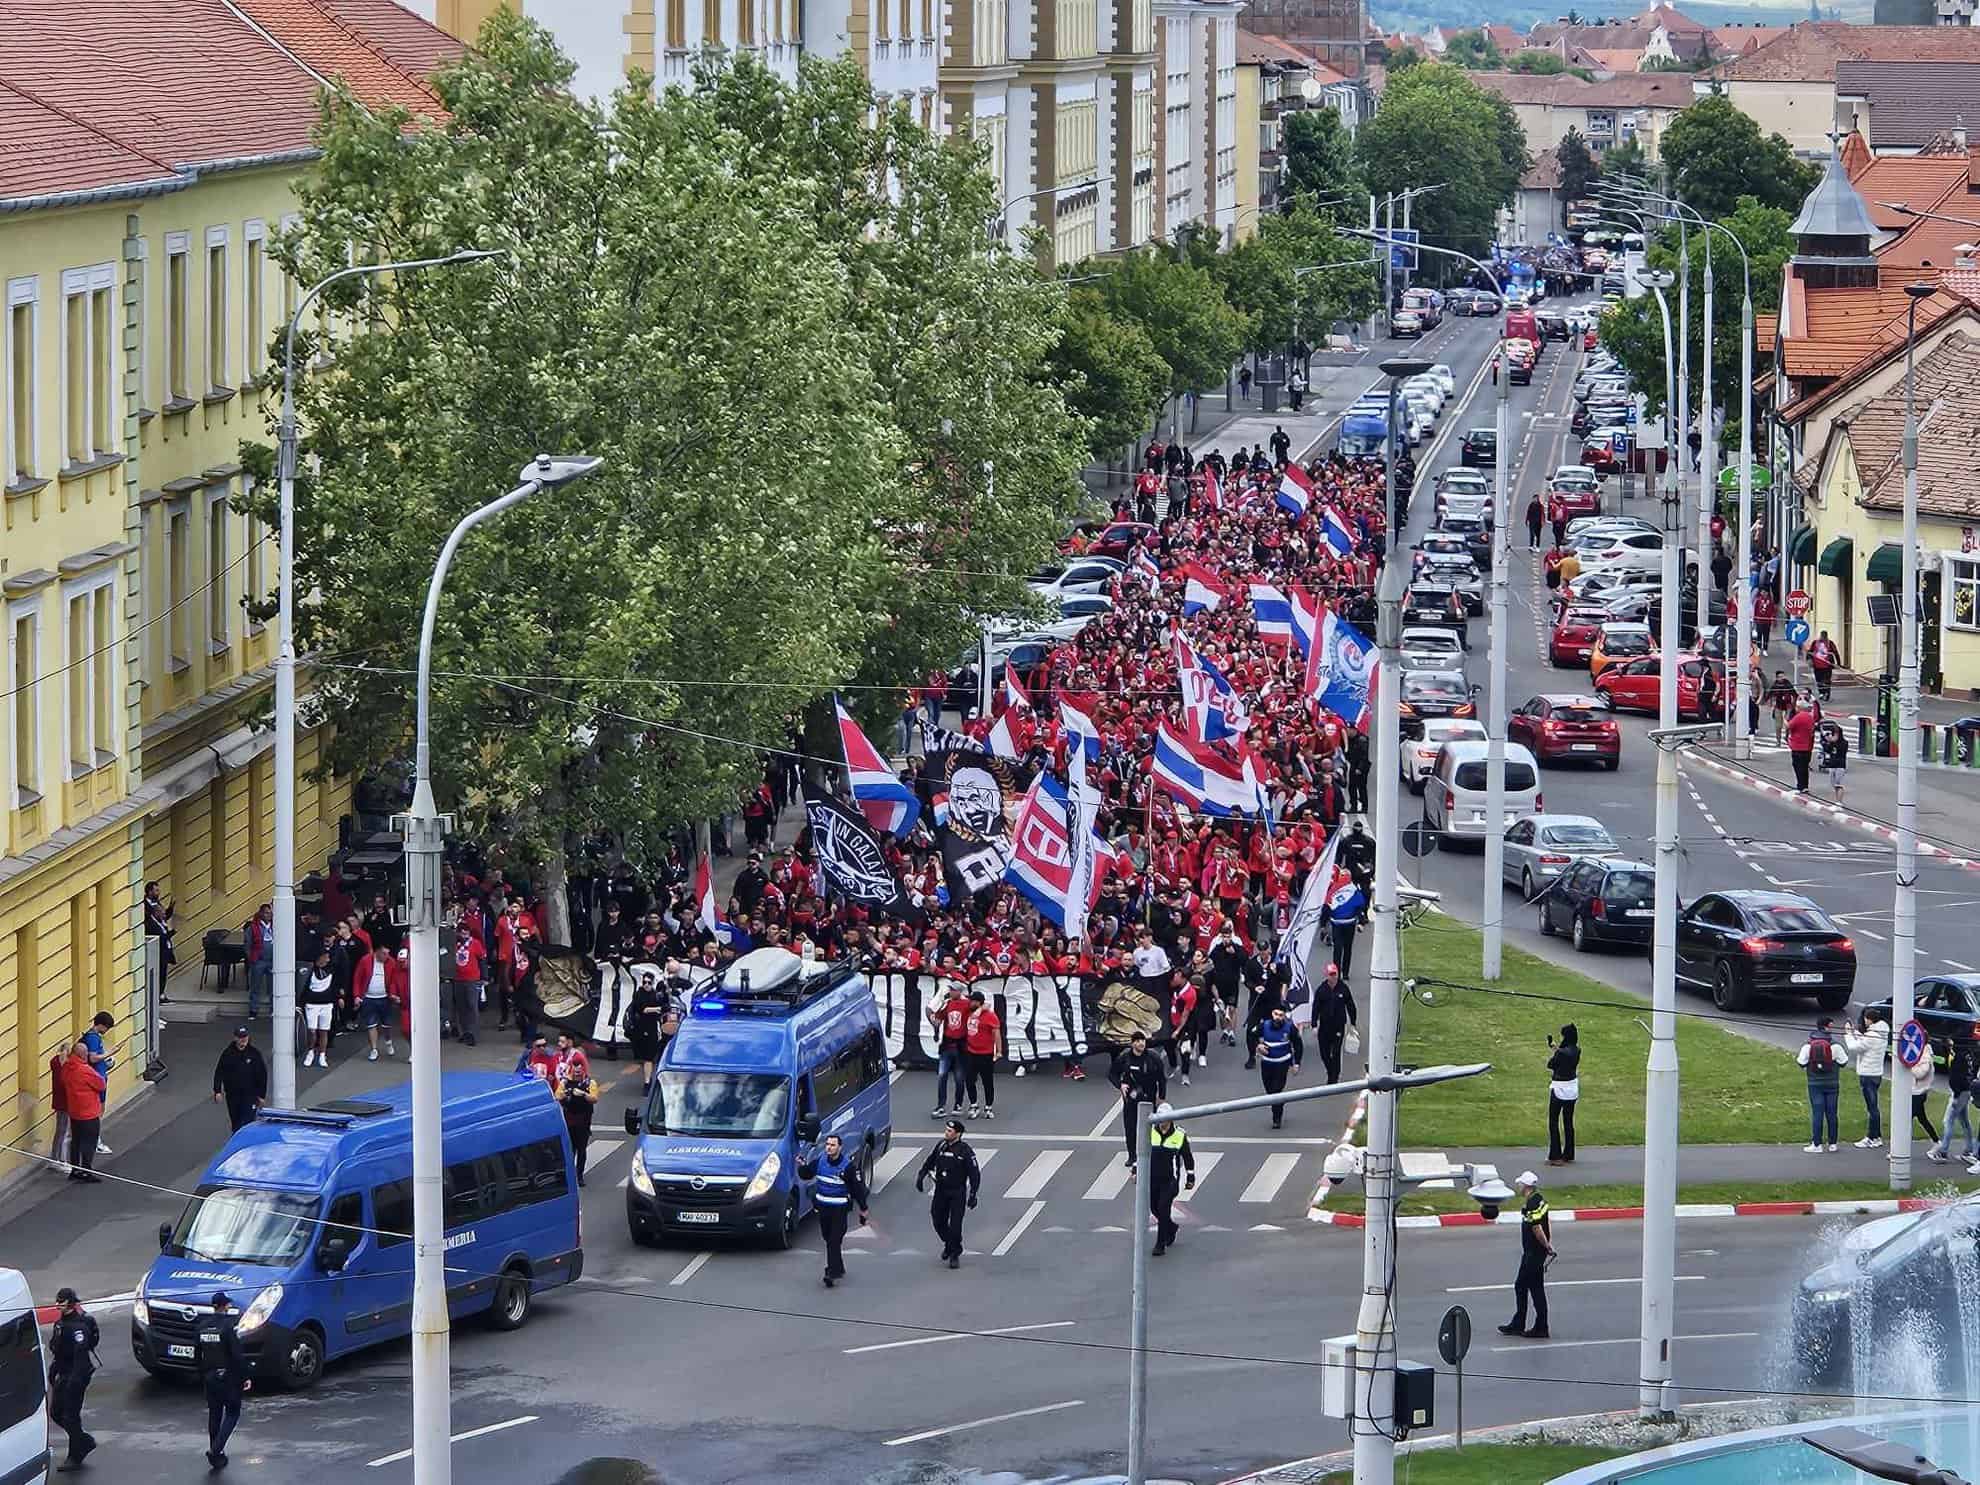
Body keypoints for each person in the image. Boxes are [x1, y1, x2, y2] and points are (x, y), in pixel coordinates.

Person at [800, 1132, 870, 1286]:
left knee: (833, 1240)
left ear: (840, 1147)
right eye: (827, 1145)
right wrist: (802, 1166)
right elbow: (806, 1175)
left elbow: (857, 1189)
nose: (829, 1148)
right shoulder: (820, 1162)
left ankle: (831, 1273)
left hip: (839, 1211)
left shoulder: (847, 1167)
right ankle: (838, 1267)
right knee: (828, 1239)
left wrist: (863, 1208)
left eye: (832, 1145)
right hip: (823, 1209)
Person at [914, 1118, 981, 1269]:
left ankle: (954, 1253)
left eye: (949, 1131)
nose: (946, 1133)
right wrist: (921, 1175)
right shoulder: (941, 1146)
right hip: (941, 1191)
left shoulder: (965, 1151)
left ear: (958, 1134)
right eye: (946, 1130)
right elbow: (930, 1161)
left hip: (957, 1192)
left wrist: (973, 1194)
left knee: (956, 1225)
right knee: (938, 1220)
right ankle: (950, 1244)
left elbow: (974, 1174)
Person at [197, 1291, 251, 1469]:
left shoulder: (202, 1326)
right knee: (233, 1412)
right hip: (228, 1377)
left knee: (214, 1414)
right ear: (225, 1306)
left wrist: (202, 1375)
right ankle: (216, 1450)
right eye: (228, 1304)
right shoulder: (228, 1327)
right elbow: (237, 1355)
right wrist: (245, 1377)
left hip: (210, 1376)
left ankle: (216, 1452)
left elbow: (197, 1354)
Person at [47, 1286, 98, 1472]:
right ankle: (83, 1440)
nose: (57, 1304)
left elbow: (80, 1356)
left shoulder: (79, 1327)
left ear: (70, 1303)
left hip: (77, 1376)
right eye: (57, 1300)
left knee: (70, 1417)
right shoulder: (61, 1324)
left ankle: (76, 1454)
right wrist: (53, 1373)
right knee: (56, 1413)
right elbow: (58, 1351)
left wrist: (74, 1381)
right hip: (63, 1373)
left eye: (61, 1301)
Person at [1497, 1171, 1553, 1339]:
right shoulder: (1540, 1200)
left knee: (1529, 1288)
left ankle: (1537, 1326)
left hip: (1534, 1253)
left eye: (1520, 1184)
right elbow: (1546, 1223)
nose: (1518, 1186)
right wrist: (1549, 1243)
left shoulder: (1532, 1204)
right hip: (1534, 1251)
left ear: (1526, 1186)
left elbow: (1536, 1227)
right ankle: (1522, 1323)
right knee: (1527, 1287)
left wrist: (1547, 1245)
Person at [1109, 1030, 1168, 1169]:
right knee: (1130, 1127)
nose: (1141, 1043)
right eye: (1138, 1040)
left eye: (1143, 1040)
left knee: (1151, 1127)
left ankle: (1152, 1152)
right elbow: (1112, 1074)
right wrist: (1120, 1085)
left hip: (1149, 1098)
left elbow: (1162, 1079)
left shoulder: (1153, 1057)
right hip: (1131, 1099)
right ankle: (1132, 1156)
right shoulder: (1125, 1057)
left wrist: (1162, 1097)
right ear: (1132, 1043)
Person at [1147, 1103, 1196, 1256]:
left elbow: (1187, 1156)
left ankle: (1160, 1244)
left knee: (1163, 1208)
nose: (1162, 1122)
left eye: (1165, 1119)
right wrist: (1135, 1169)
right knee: (1155, 1208)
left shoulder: (1179, 1135)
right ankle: (1171, 1227)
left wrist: (1190, 1175)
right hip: (1153, 1179)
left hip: (1170, 1181)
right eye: (1160, 1118)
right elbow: (1140, 1151)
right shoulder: (1149, 1131)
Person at [58, 1041, 105, 1183]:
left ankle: (75, 1169)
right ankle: (86, 1170)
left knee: (76, 1141)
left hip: (74, 1111)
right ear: (83, 1055)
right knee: (89, 1142)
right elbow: (101, 1085)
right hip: (88, 1112)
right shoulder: (84, 1070)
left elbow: (63, 1081)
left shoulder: (67, 1067)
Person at [928, 979, 974, 1118]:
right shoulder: (948, 1003)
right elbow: (938, 1017)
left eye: (953, 990)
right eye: (950, 989)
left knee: (959, 1078)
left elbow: (979, 1010)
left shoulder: (967, 1004)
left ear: (959, 991)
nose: (950, 991)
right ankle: (941, 1105)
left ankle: (958, 1104)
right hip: (947, 1045)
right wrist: (934, 1020)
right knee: (942, 1075)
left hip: (961, 1046)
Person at [1845, 1010, 1890, 1149]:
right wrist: (1856, 1033)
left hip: (1867, 1074)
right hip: (1876, 1073)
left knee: (1872, 1108)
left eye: (1865, 1019)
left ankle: (1872, 1137)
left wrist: (1848, 1034)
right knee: (1873, 1106)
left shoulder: (1872, 1036)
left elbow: (1854, 1047)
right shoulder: (1881, 1032)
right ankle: (1876, 1136)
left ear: (1869, 1020)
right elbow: (1865, 1041)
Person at [1797, 1017, 1842, 1152]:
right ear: (1828, 1027)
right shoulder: (1836, 1046)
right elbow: (1844, 1062)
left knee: (1817, 1113)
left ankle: (1816, 1144)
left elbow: (1801, 1062)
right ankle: (1833, 1144)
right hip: (1832, 1083)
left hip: (1814, 1083)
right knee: (1832, 1113)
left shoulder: (1808, 1045)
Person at [1255, 1003, 1303, 1129]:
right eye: (1276, 1014)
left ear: (1284, 1016)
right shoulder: (1263, 1025)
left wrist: (1296, 1063)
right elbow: (1251, 1035)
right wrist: (1258, 1046)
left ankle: (1277, 1118)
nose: (1278, 1017)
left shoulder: (1290, 1028)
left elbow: (1298, 1045)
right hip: (1266, 1063)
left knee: (1277, 1090)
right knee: (1270, 1092)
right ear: (1272, 1014)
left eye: (1281, 1015)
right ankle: (1279, 1103)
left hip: (1282, 1064)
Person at [211, 1027, 267, 1133]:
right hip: (233, 1096)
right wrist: (217, 1091)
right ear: (235, 1038)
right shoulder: (228, 1053)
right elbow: (219, 1072)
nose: (243, 1040)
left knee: (246, 1124)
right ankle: (237, 1146)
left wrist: (261, 1095)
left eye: (245, 1037)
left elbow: (262, 1075)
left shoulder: (254, 1053)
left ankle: (242, 1146)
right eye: (241, 1037)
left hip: (250, 1095)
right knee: (236, 1123)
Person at [352, 939, 401, 1061]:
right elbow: (357, 979)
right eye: (384, 953)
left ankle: (388, 1041)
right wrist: (357, 996)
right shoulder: (365, 961)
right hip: (368, 998)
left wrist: (394, 994)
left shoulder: (391, 962)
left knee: (386, 1025)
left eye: (388, 953)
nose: (387, 956)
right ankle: (374, 1049)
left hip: (385, 998)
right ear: (377, 952)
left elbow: (394, 981)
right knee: (371, 1024)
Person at [1930, 1039, 1976, 1164]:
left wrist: (1955, 1096)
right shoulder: (1968, 1055)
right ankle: (1969, 1151)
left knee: (1948, 1121)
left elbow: (1956, 1078)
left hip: (1959, 1093)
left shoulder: (1958, 1058)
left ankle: (1943, 1152)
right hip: (1966, 1091)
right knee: (1965, 1122)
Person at [556, 1053, 599, 1186]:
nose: (577, 1073)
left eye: (580, 1070)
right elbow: (557, 1095)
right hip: (569, 1121)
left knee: (581, 1149)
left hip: (583, 1122)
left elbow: (594, 1098)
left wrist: (584, 1094)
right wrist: (566, 1092)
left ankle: (579, 1175)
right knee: (569, 1150)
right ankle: (568, 1176)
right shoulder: (565, 1082)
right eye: (575, 1070)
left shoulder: (590, 1082)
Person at [1311, 963, 1357, 1085]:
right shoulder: (1321, 990)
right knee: (1324, 1053)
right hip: (1325, 1027)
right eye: (1331, 974)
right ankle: (1330, 1071)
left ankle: (1334, 1077)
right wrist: (1314, 1025)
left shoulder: (1343, 988)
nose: (1333, 977)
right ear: (1326, 975)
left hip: (1338, 1026)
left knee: (1336, 1052)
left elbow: (1351, 1006)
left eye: (1335, 974)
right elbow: (1315, 1008)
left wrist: (1353, 1023)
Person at [962, 990, 1002, 1119]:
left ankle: (988, 1107)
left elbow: (997, 1034)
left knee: (987, 1081)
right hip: (970, 1052)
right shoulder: (969, 1012)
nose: (970, 1002)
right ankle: (974, 1105)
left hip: (986, 1053)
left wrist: (999, 1051)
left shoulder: (990, 1016)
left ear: (978, 1002)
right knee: (969, 1080)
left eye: (973, 1001)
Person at [1546, 1024, 1580, 1165]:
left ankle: (1555, 1155)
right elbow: (1565, 1055)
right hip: (1572, 1088)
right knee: (1568, 1121)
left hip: (1559, 1088)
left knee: (1553, 1121)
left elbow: (1551, 1064)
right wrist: (1556, 1048)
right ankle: (1569, 1153)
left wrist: (1556, 1051)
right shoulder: (1577, 1050)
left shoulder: (1561, 1053)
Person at [449, 923, 485, 1047]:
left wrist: (484, 978)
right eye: (462, 933)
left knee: (472, 1006)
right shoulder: (454, 944)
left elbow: (482, 960)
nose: (464, 935)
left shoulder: (475, 943)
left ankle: (472, 1033)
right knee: (461, 1007)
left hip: (472, 979)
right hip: (458, 979)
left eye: (466, 933)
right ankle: (464, 1032)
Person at [300, 951, 338, 1068]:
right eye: (326, 957)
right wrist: (300, 1003)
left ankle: (322, 1055)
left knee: (324, 1031)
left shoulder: (332, 970)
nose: (328, 960)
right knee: (312, 1031)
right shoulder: (309, 970)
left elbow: (336, 985)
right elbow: (303, 986)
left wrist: (338, 997)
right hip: (312, 1005)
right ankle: (310, 1052)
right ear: (319, 957)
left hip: (327, 1005)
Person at [1909, 1044, 1941, 1146]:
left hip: (1919, 1092)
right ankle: (1937, 1142)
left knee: (1905, 1120)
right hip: (1916, 1091)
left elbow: (1920, 1073)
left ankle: (1900, 1146)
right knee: (1922, 1119)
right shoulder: (1920, 1053)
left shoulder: (1925, 1057)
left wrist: (1909, 1065)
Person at [1785, 700, 1817, 793]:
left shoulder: (1799, 717)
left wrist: (1784, 719)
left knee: (1798, 766)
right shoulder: (1810, 717)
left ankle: (1800, 786)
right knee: (1804, 767)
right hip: (1808, 746)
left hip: (1798, 746)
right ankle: (1805, 786)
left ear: (1799, 708)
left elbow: (1788, 726)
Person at [1819, 719, 1849, 803]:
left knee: (1839, 784)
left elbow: (1841, 751)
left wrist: (1832, 742)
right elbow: (1827, 750)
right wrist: (1827, 742)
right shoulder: (1831, 743)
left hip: (1840, 765)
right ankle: (1837, 800)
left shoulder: (1844, 743)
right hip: (1832, 764)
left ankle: (1839, 802)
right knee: (1834, 785)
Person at [1809, 630, 1839, 700]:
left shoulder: (1830, 643)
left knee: (1827, 681)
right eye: (1822, 636)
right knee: (1818, 680)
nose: (1823, 637)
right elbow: (1810, 652)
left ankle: (1827, 693)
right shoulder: (1815, 643)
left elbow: (1835, 652)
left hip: (1827, 666)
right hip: (1817, 666)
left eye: (1824, 636)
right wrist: (1809, 660)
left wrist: (1838, 663)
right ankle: (1821, 693)